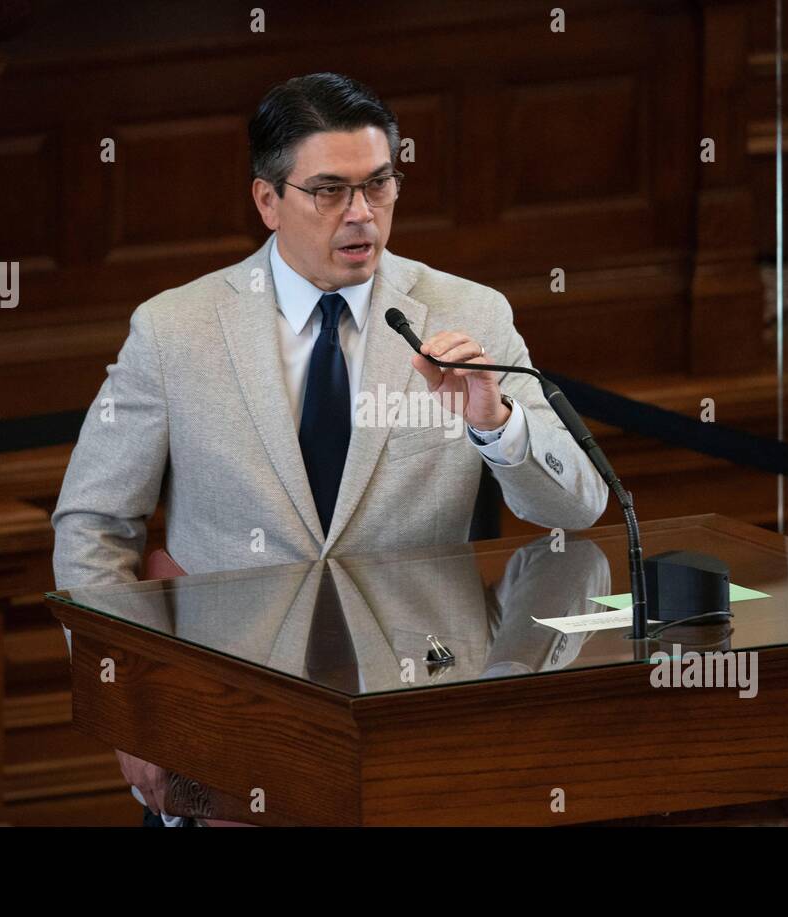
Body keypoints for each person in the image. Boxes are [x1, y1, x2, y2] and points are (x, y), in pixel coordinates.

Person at [50, 72, 609, 825]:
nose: (362, 215)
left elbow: (579, 503)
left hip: (415, 736)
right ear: (267, 200)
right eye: (329, 191)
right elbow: (91, 525)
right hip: (228, 737)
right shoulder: (174, 330)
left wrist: (496, 419)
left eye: (379, 185)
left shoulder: (470, 313)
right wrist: (130, 712)